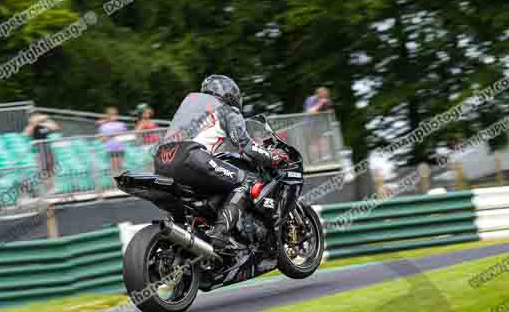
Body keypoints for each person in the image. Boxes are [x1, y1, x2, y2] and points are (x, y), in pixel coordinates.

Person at [154, 75, 288, 252]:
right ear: (229, 94)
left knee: (203, 194)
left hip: (162, 159)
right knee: (247, 181)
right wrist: (272, 156)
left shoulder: (192, 104)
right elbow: (246, 147)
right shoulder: (226, 110)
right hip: (190, 156)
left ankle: (190, 233)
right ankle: (220, 234)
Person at [23, 112, 60, 188]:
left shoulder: (45, 124)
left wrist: (43, 121)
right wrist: (34, 123)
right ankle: (28, 185)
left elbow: (55, 127)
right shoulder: (32, 126)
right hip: (39, 151)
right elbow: (26, 133)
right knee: (43, 170)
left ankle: (50, 187)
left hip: (48, 149)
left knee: (51, 169)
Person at [303, 87, 334, 162]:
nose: (325, 98)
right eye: (324, 96)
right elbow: (310, 111)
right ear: (319, 94)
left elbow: (330, 110)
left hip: (320, 125)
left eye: (326, 96)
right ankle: (315, 159)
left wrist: (327, 106)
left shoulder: (324, 100)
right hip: (310, 125)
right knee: (313, 142)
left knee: (324, 140)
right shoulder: (311, 99)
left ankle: (325, 156)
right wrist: (321, 103)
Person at [98, 107, 128, 174]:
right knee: (114, 166)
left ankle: (121, 180)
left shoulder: (121, 124)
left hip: (120, 147)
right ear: (107, 115)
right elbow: (101, 139)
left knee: (120, 165)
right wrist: (107, 137)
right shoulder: (103, 126)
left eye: (114, 114)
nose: (113, 116)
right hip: (111, 148)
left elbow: (125, 135)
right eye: (111, 114)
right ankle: (116, 181)